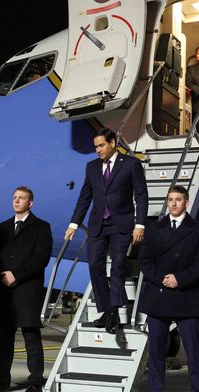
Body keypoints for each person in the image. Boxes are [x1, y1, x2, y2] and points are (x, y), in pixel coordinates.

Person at [64, 128, 148, 334]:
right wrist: (74, 223)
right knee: (94, 265)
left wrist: (140, 224)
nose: (98, 150)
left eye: (101, 145)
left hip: (121, 223)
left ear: (112, 143)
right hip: (98, 224)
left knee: (118, 265)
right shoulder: (91, 167)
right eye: (95, 147)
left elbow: (141, 195)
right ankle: (108, 309)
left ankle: (113, 312)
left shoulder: (130, 164)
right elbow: (85, 197)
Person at [137, 185, 199, 392]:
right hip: (159, 296)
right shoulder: (155, 229)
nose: (173, 203)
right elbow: (145, 261)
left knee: (194, 353)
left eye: (178, 199)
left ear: (186, 202)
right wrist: (162, 279)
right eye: (170, 199)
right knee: (157, 351)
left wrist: (179, 279)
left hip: (185, 296)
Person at [0, 186, 52, 392]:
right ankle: (2, 380)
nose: (16, 201)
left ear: (30, 203)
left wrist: (17, 275)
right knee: (5, 339)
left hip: (27, 289)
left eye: (21, 198)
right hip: (6, 291)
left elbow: (41, 259)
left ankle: (35, 381)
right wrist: (2, 274)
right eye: (14, 197)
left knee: (31, 337)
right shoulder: (2, 227)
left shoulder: (41, 227)